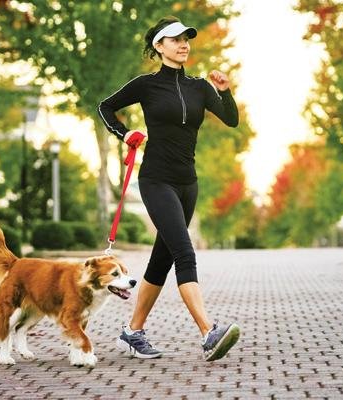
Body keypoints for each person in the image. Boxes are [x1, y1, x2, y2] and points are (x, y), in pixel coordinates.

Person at [98, 16, 240, 362]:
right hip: (156, 180)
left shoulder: (200, 87)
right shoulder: (146, 86)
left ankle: (132, 332)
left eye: (187, 39)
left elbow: (231, 119)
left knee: (161, 260)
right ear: (159, 47)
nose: (183, 44)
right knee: (184, 253)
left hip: (187, 184)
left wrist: (225, 90)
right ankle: (209, 333)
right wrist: (125, 133)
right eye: (175, 39)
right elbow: (106, 107)